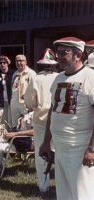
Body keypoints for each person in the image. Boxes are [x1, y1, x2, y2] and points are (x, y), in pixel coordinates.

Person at [39, 37, 94, 200]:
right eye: (58, 53)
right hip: (60, 146)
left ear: (78, 55)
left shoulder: (90, 77)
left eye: (64, 53)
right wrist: (46, 141)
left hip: (80, 147)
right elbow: (52, 110)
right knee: (63, 193)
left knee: (82, 193)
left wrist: (92, 149)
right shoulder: (58, 78)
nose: (59, 57)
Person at [24, 48, 58, 195]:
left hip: (41, 119)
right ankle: (62, 184)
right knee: (59, 151)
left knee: (41, 152)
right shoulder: (60, 76)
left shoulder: (36, 79)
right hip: (57, 119)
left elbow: (29, 103)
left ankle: (43, 186)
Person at [0, 111, 34, 177]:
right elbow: (20, 127)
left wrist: (14, 134)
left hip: (27, 142)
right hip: (18, 139)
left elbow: (34, 131)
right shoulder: (26, 111)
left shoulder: (35, 114)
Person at [10, 54, 36, 127]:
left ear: (26, 62)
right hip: (14, 103)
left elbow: (35, 90)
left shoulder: (31, 73)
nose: (19, 63)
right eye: (17, 61)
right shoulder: (15, 74)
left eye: (21, 61)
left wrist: (32, 104)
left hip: (25, 104)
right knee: (15, 124)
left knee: (26, 124)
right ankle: (15, 138)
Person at [0, 55, 14, 128]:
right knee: (2, 120)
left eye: (4, 62)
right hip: (2, 101)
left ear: (7, 63)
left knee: (11, 119)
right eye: (0, 63)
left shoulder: (13, 74)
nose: (2, 64)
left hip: (11, 100)